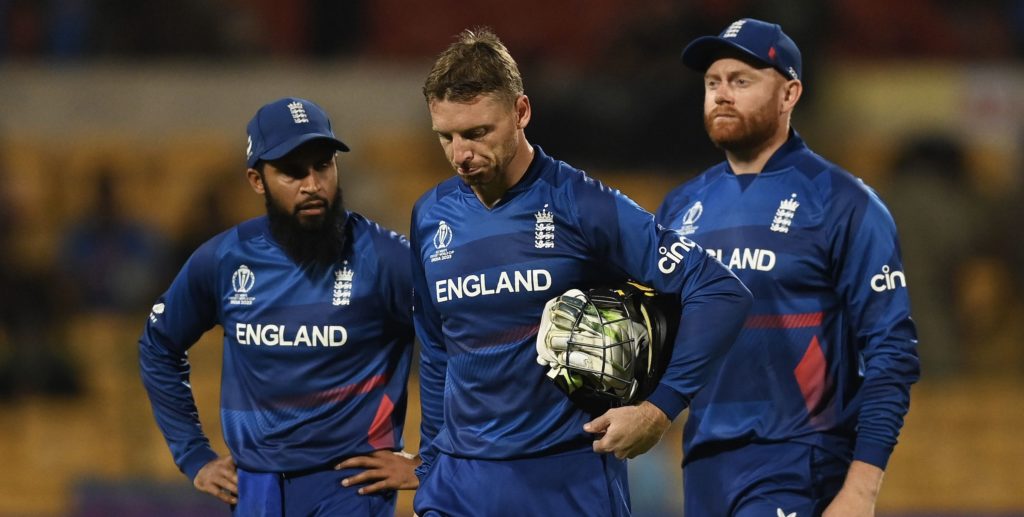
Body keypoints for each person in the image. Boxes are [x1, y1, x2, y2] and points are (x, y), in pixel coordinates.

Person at [410, 27, 753, 516]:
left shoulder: (581, 204)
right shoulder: (430, 216)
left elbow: (719, 291)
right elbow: (437, 346)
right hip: (460, 486)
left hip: (567, 480)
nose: (460, 155)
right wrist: (430, 466)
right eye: (446, 136)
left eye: (477, 133)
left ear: (521, 112)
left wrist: (660, 410)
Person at [656, 19, 921, 516]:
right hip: (702, 467)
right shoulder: (680, 207)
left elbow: (892, 353)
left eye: (742, 81)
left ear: (789, 93)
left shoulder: (842, 203)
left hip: (801, 461)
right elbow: (666, 338)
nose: (722, 95)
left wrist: (861, 487)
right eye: (713, 83)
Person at [138, 97, 417, 515]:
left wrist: (432, 458)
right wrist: (194, 455)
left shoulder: (387, 260)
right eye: (292, 171)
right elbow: (158, 347)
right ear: (256, 179)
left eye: (323, 165)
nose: (313, 184)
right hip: (254, 489)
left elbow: (460, 343)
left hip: (351, 488)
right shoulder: (224, 260)